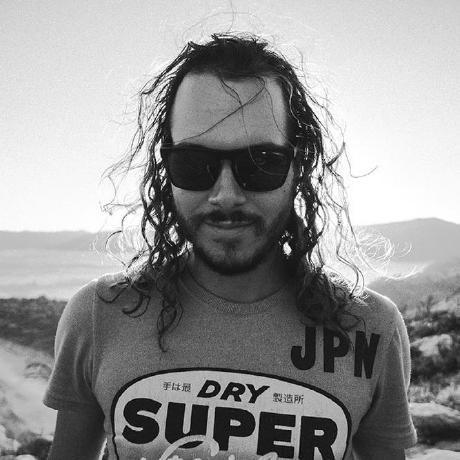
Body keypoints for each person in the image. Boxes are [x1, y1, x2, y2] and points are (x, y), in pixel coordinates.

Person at [44, 33, 417, 460]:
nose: (226, 195)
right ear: (166, 168)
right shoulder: (100, 315)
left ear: (299, 166)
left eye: (260, 163)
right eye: (193, 164)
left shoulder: (369, 328)